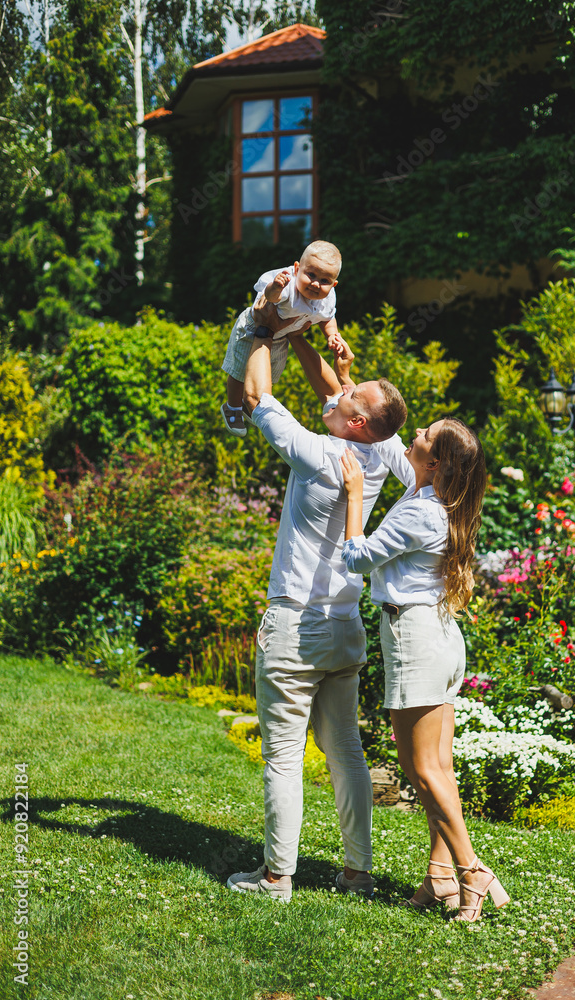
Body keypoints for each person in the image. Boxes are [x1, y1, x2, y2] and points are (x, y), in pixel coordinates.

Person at [226, 310, 408, 903]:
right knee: (345, 751)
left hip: (296, 625)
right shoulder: (378, 453)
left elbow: (257, 393)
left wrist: (259, 328)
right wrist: (303, 338)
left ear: (356, 420)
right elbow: (337, 396)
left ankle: (277, 877)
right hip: (344, 626)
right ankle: (357, 871)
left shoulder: (313, 452)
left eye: (353, 391)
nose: (342, 383)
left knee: (282, 756)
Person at [339, 418, 511, 922]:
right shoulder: (430, 498)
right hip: (438, 635)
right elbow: (386, 436)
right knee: (438, 769)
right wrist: (344, 375)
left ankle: (473, 871)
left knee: (423, 770)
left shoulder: (421, 514)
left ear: (434, 462)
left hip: (415, 637)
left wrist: (354, 495)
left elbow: (358, 558)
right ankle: (440, 876)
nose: (413, 433)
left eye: (424, 434)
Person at [221, 240, 343, 437]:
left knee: (270, 373)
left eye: (324, 281)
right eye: (311, 275)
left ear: (333, 284)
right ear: (297, 269)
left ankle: (246, 405)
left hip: (280, 336)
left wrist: (332, 335)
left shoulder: (326, 299)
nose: (315, 283)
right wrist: (276, 287)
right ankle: (232, 407)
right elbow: (270, 298)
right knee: (240, 369)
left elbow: (328, 318)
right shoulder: (288, 284)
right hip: (254, 327)